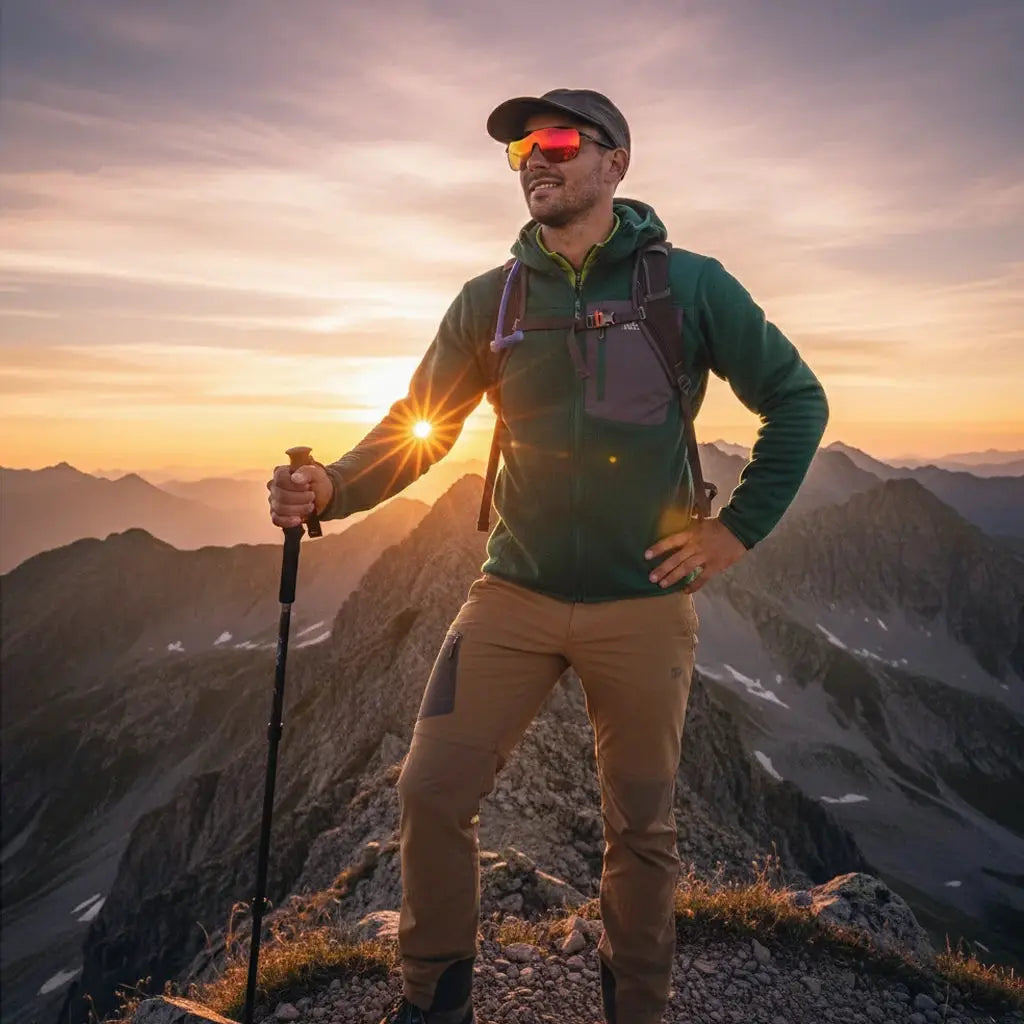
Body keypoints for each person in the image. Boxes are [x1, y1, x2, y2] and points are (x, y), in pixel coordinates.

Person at [268, 88, 829, 1024]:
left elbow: (797, 400)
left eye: (560, 140)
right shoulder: (491, 300)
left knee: (640, 829)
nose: (537, 157)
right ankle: (431, 1003)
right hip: (513, 594)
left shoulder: (691, 286)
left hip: (643, 604)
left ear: (615, 163)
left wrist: (735, 530)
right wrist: (331, 487)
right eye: (522, 148)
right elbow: (422, 430)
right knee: (431, 792)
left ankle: (636, 1008)